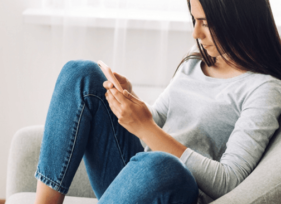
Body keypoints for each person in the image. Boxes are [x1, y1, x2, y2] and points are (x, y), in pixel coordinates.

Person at [34, 0, 281, 203]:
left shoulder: (264, 89)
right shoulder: (194, 63)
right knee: (80, 74)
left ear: (239, 20)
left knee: (162, 164)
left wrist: (146, 127)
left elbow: (229, 180)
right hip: (136, 178)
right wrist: (129, 100)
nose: (196, 32)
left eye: (205, 23)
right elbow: (158, 121)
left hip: (172, 187)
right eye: (195, 20)